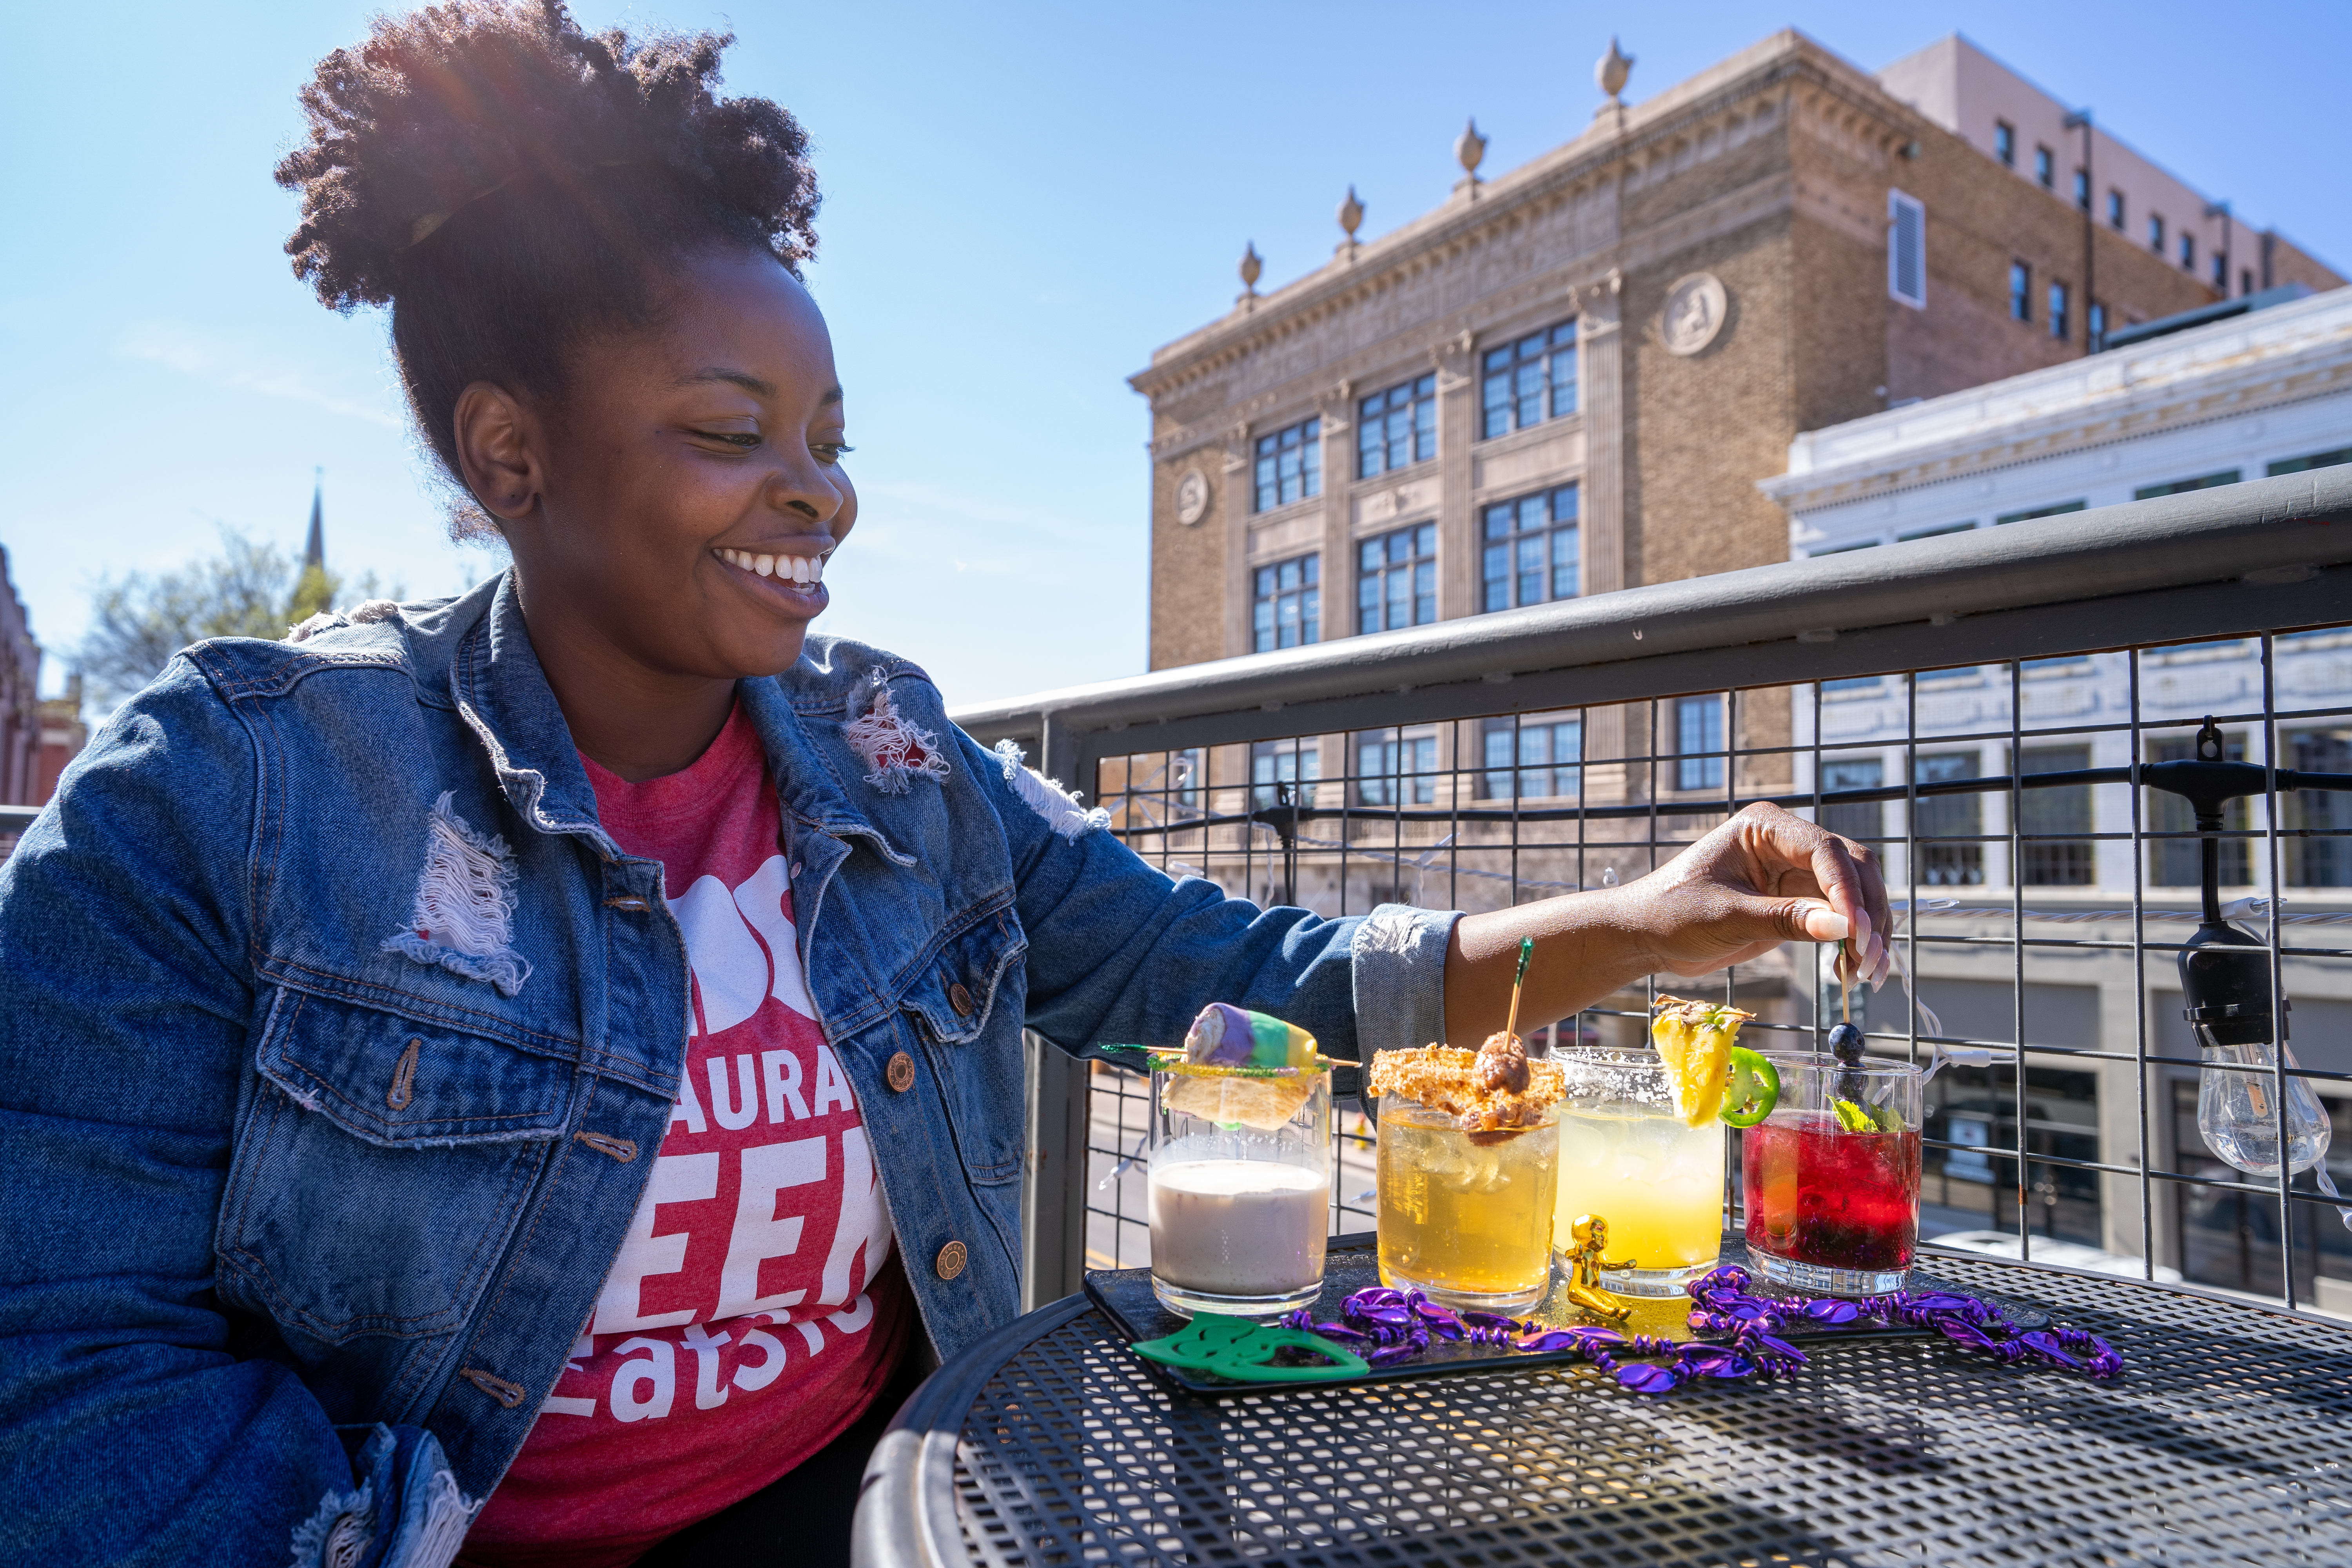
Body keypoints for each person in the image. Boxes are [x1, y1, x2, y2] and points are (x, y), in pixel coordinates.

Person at [0, 5, 1891, 1565]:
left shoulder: (903, 772)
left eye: (829, 439)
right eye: (733, 433)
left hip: (869, 1513)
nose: (818, 490)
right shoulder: (232, 788)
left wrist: (1652, 920)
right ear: (513, 453)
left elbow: (1273, 977)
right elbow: (66, 1367)